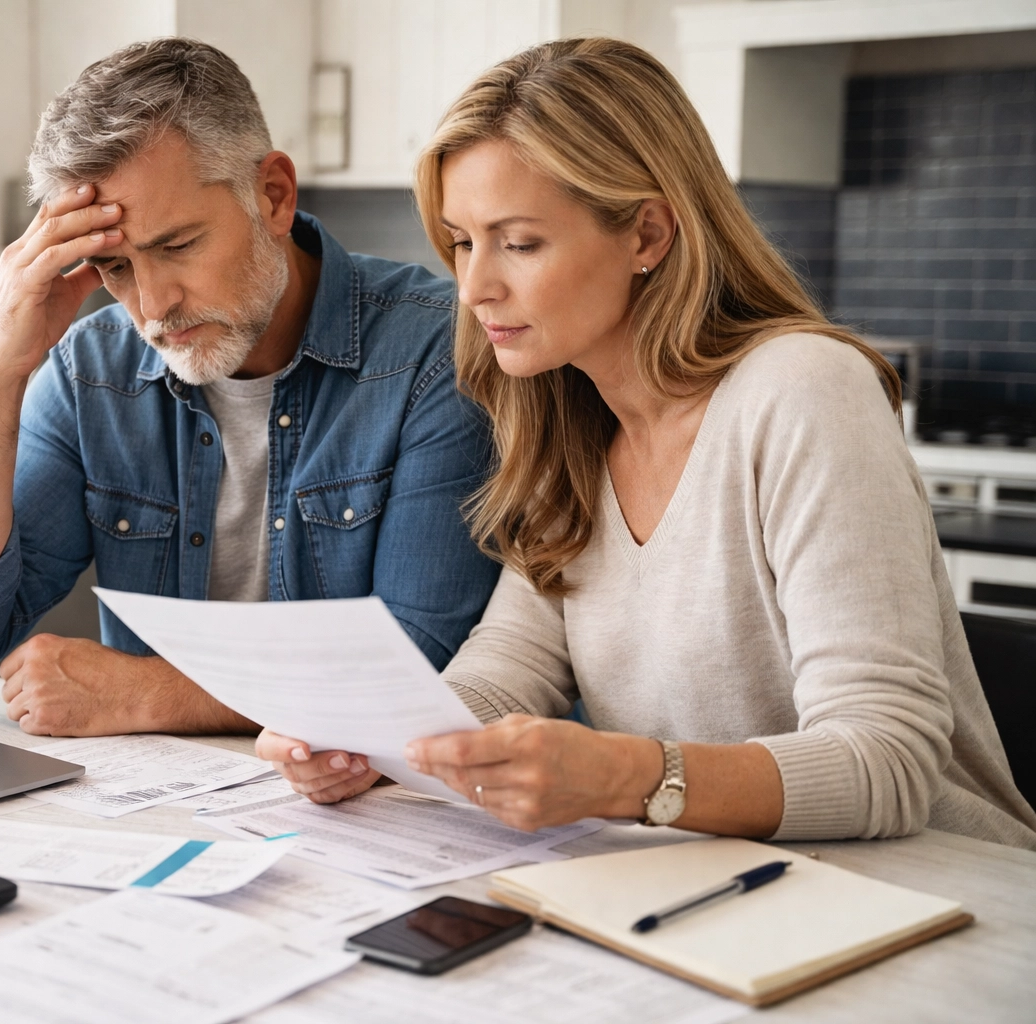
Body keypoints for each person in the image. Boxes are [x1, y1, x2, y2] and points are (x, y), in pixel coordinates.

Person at [258, 37, 1036, 849]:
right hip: (729, 888)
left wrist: (629, 777)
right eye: (462, 241)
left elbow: (888, 762)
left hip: (946, 898)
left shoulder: (803, 391)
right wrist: (377, 743)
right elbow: (507, 669)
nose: (475, 286)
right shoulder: (571, 425)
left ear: (647, 236)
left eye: (519, 242)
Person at [0, 39, 500, 737]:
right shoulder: (91, 372)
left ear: (272, 194)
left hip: (369, 803)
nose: (152, 306)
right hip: (167, 806)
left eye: (177, 246)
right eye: (114, 267)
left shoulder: (435, 350)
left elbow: (420, 659)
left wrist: (146, 694)